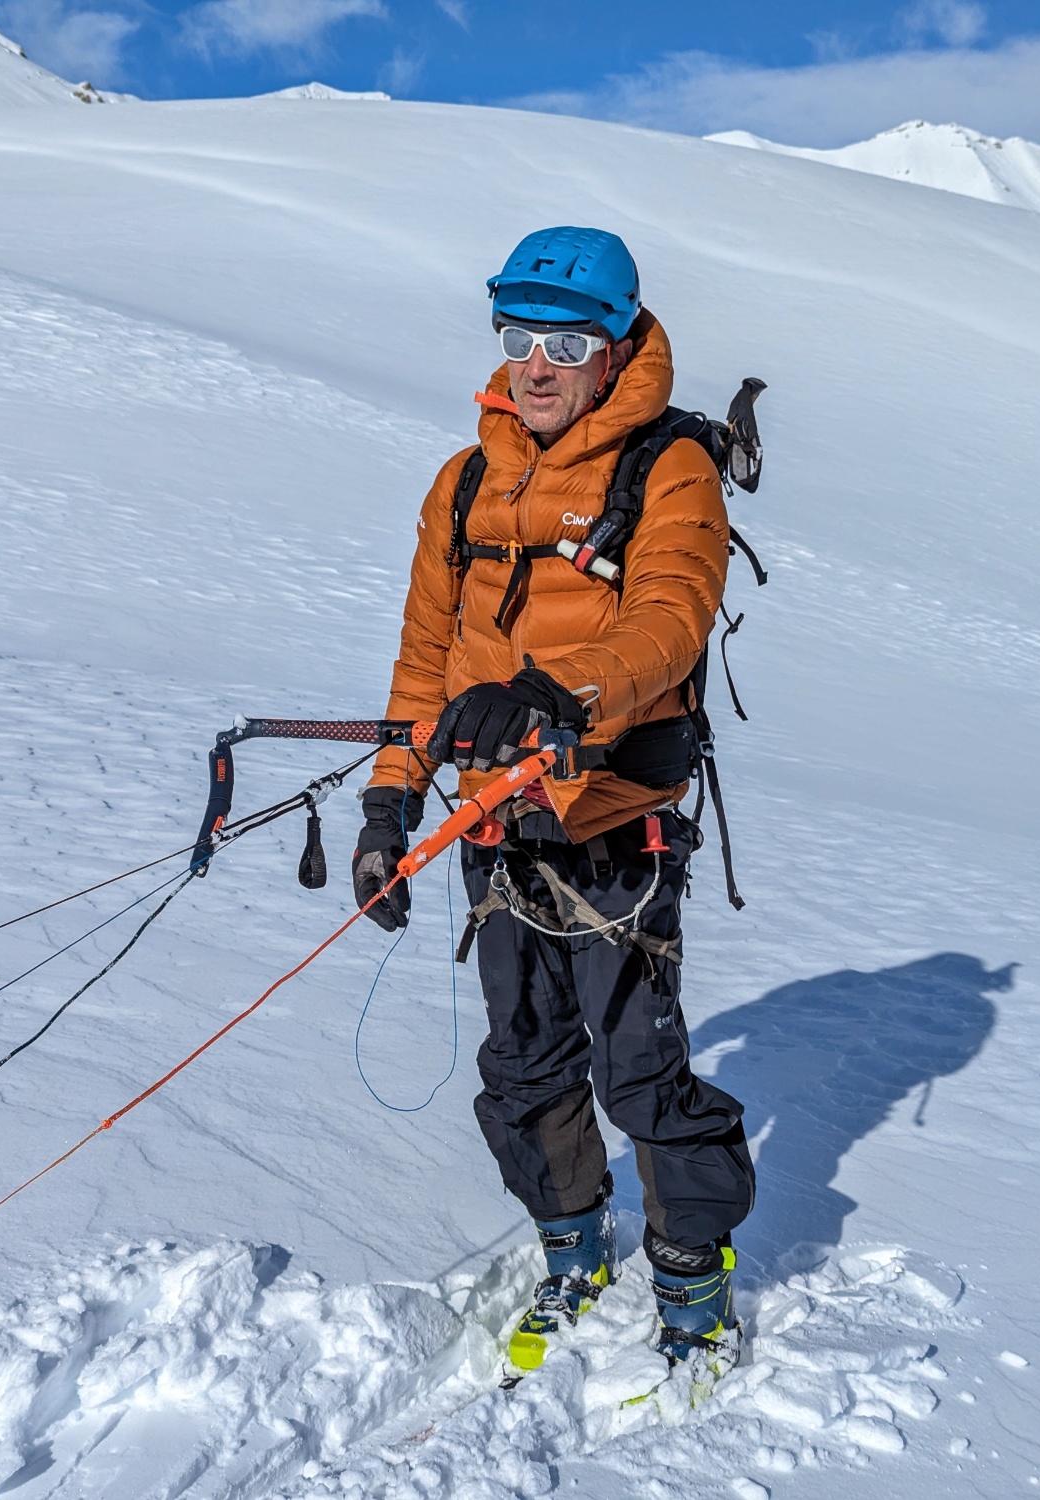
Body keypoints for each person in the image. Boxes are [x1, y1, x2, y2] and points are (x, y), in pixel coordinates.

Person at [353, 226, 755, 1377]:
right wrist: (392, 806)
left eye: (565, 340)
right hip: (493, 826)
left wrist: (553, 693)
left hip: (611, 822)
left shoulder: (666, 469)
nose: (536, 364)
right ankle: (570, 1242)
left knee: (637, 1067)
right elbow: (425, 659)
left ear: (616, 346)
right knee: (522, 1059)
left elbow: (666, 620)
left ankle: (690, 1268)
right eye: (519, 335)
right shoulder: (464, 478)